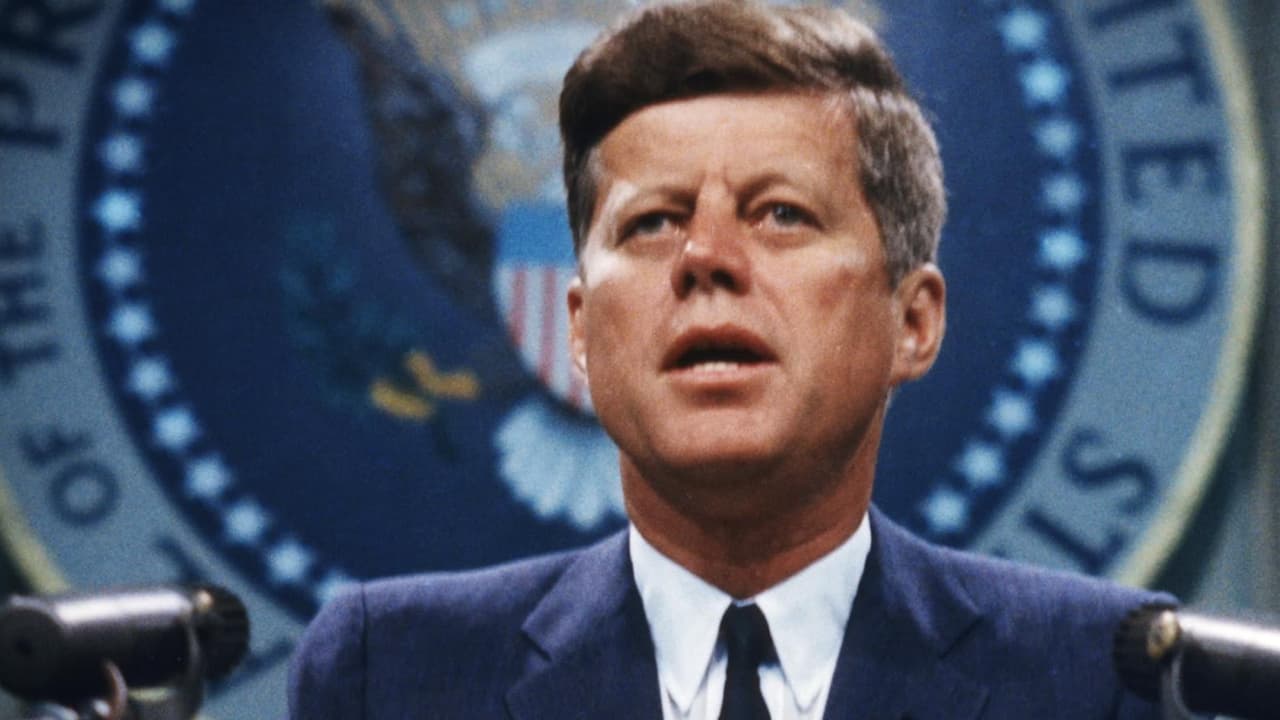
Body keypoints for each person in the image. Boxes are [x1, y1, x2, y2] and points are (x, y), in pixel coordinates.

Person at [288, 2, 1169, 717]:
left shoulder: (1097, 675)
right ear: (581, 332)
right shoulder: (389, 677)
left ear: (913, 323)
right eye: (652, 222)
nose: (705, 257)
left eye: (781, 214)